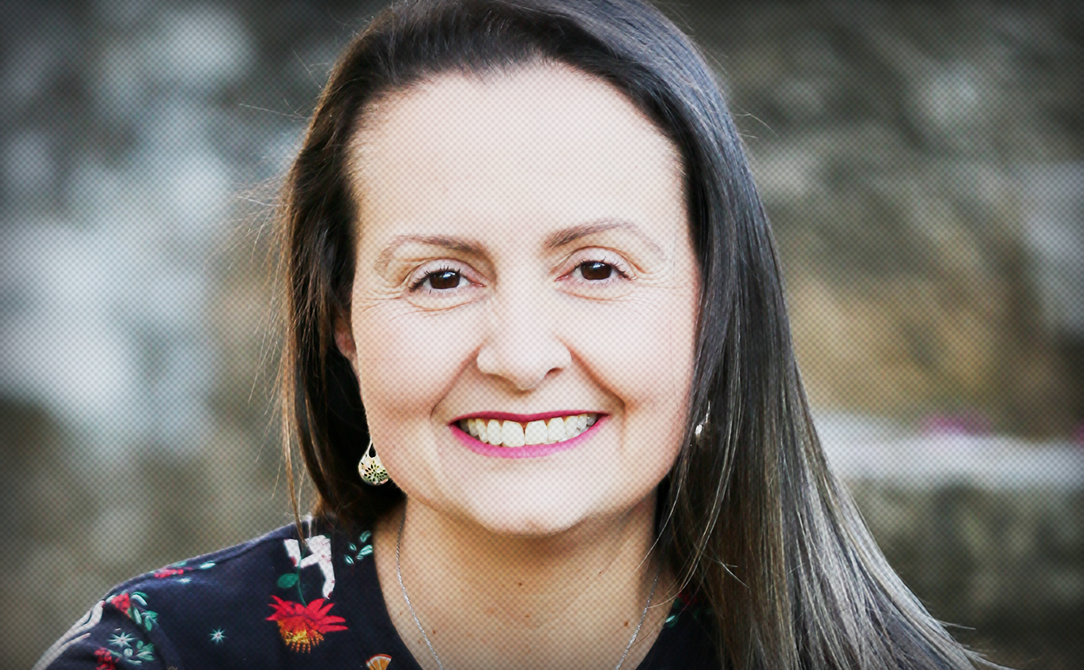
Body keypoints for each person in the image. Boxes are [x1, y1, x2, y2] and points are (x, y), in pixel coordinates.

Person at [36, 0, 997, 668]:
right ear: (341, 322)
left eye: (597, 269)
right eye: (442, 277)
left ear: (716, 305)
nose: (521, 357)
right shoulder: (161, 655)